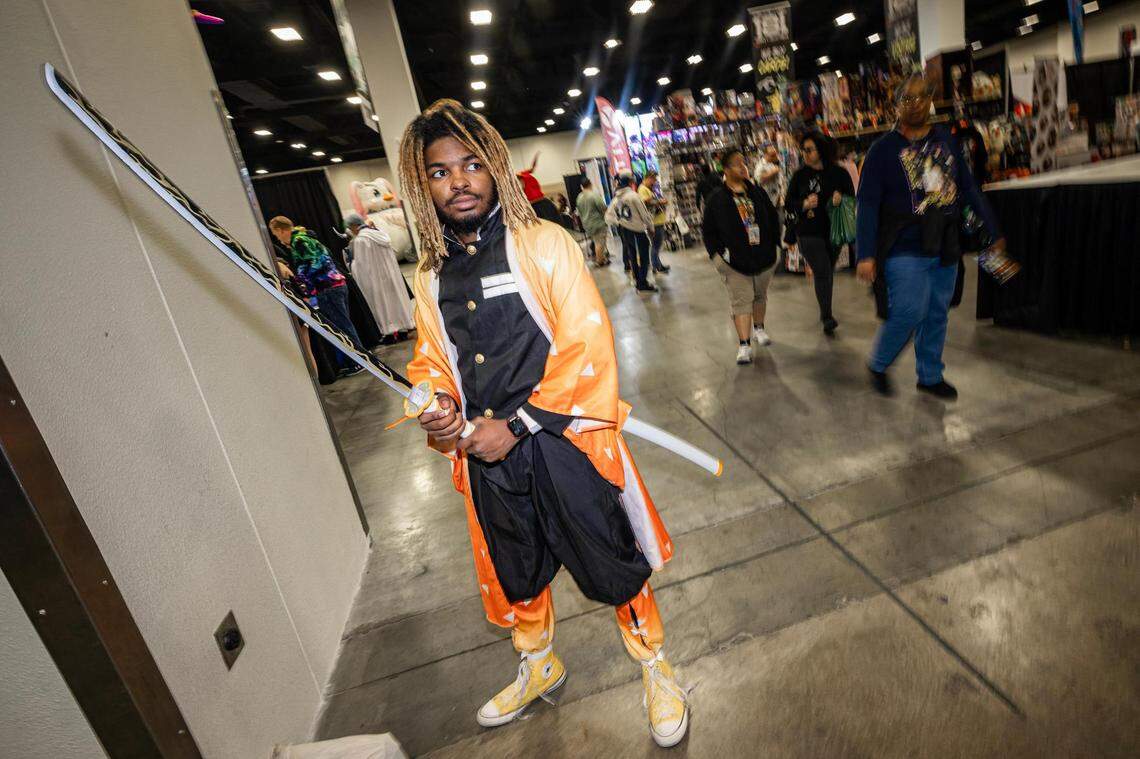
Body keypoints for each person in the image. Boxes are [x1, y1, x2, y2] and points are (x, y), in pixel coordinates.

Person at [397, 99, 688, 748]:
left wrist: (520, 423)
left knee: (614, 562)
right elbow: (430, 357)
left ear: (496, 166)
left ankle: (655, 666)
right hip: (488, 459)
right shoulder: (430, 275)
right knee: (518, 571)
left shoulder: (544, 243)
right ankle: (539, 662)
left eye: (472, 164)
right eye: (440, 172)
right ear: (422, 186)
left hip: (561, 442)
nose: (459, 181)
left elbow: (586, 344)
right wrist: (438, 406)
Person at [856, 73, 1005, 400]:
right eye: (907, 99)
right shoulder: (882, 151)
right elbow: (866, 203)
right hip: (903, 246)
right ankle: (878, 363)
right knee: (910, 310)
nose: (915, 104)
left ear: (931, 99)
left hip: (945, 243)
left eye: (922, 97)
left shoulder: (946, 141)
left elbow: (967, 188)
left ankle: (929, 375)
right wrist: (865, 253)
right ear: (895, 105)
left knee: (937, 312)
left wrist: (991, 230)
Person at [702, 149, 781, 364]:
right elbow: (708, 231)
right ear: (726, 170)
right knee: (740, 301)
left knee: (759, 296)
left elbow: (773, 219)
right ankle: (744, 344)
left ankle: (759, 328)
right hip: (734, 262)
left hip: (764, 258)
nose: (743, 167)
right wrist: (718, 258)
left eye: (744, 162)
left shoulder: (757, 192)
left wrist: (775, 247)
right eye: (737, 164)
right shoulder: (717, 198)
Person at [268, 216, 366, 376]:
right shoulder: (305, 236)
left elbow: (312, 266)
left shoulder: (299, 241)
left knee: (341, 326)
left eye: (276, 234)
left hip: (327, 288)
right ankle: (354, 361)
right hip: (335, 285)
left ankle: (358, 362)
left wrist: (307, 292)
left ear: (281, 230)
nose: (277, 239)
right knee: (343, 324)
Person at [785, 132, 854, 335]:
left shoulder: (839, 173)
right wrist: (804, 204)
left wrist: (840, 197)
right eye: (803, 150)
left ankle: (825, 310)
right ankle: (827, 316)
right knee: (823, 271)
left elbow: (851, 196)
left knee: (827, 272)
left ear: (821, 150)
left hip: (834, 230)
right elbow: (788, 203)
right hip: (808, 232)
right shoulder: (799, 176)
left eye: (809, 149)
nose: (804, 154)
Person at [344, 213, 415, 340]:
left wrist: (350, 265)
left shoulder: (361, 240)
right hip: (391, 276)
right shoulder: (380, 234)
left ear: (354, 226)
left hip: (376, 280)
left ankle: (389, 333)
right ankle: (403, 329)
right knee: (395, 301)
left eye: (350, 226)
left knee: (382, 305)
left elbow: (360, 266)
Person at [605, 174, 658, 292]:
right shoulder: (633, 196)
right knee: (643, 257)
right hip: (637, 231)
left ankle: (638, 281)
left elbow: (608, 217)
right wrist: (651, 227)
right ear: (630, 182)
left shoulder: (616, 199)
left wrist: (619, 222)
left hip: (625, 231)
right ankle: (642, 282)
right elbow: (644, 214)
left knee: (633, 256)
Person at [638, 170, 670, 274]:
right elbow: (645, 201)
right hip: (654, 222)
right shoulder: (642, 189)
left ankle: (658, 265)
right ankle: (656, 266)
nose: (654, 181)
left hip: (657, 221)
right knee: (656, 244)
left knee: (656, 244)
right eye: (653, 179)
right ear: (648, 178)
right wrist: (660, 201)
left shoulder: (647, 188)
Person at [575, 178, 610, 266]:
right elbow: (603, 207)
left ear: (582, 186)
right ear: (590, 184)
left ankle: (601, 258)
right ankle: (600, 261)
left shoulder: (579, 197)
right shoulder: (594, 195)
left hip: (587, 224)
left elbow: (579, 211)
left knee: (596, 242)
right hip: (597, 223)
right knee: (600, 243)